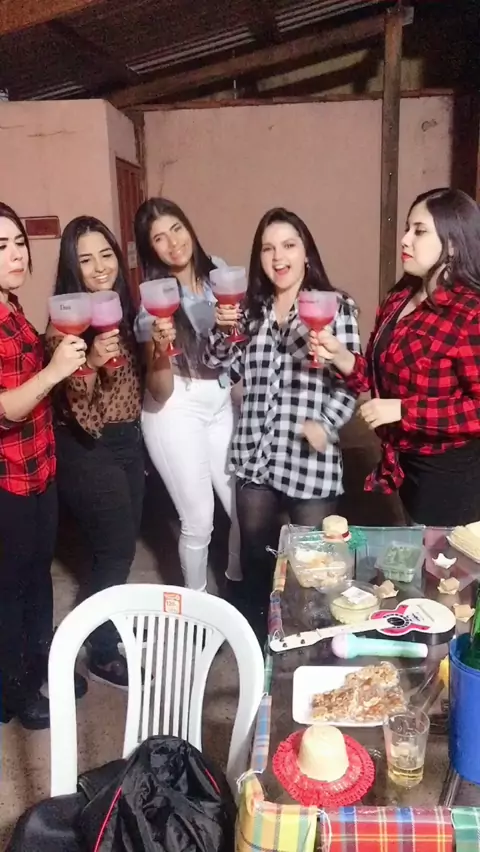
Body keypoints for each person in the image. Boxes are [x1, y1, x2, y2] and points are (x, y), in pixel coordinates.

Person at [205, 207, 361, 637]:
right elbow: (221, 367)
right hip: (255, 454)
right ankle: (260, 645)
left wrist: (326, 424)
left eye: (289, 245)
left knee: (313, 568)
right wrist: (222, 330)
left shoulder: (335, 307)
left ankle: (305, 644)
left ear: (306, 252)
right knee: (256, 558)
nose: (278, 257)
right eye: (268, 248)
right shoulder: (250, 310)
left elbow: (352, 382)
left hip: (309, 459)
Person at [313, 188, 480, 526]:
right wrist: (341, 356)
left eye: (420, 231)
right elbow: (376, 375)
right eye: (407, 228)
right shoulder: (400, 297)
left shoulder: (470, 314)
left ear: (452, 243)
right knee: (413, 546)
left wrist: (404, 410)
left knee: (441, 557)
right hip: (403, 463)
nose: (405, 239)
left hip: (449, 475)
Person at [45, 216, 144, 689]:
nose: (100, 266)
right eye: (86, 259)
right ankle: (98, 648)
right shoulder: (63, 326)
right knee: (115, 551)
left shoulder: (126, 310)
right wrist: (94, 365)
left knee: (120, 546)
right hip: (87, 445)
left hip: (129, 441)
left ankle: (103, 628)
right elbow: (80, 412)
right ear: (72, 268)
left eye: (106, 254)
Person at [0, 203, 87, 728]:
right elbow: (5, 408)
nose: (15, 255)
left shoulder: (10, 305)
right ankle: (14, 693)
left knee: (37, 577)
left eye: (18, 243)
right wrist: (54, 371)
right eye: (0, 247)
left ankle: (37, 668)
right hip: (8, 477)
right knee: (11, 589)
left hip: (38, 466)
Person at [134, 198, 241, 595]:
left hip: (220, 401)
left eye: (176, 228)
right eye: (159, 238)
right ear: (150, 250)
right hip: (175, 407)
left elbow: (236, 348)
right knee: (199, 520)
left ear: (189, 227)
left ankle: (238, 585)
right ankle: (196, 605)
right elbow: (158, 389)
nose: (173, 242)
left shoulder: (219, 274)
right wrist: (159, 347)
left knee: (244, 507)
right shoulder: (153, 303)